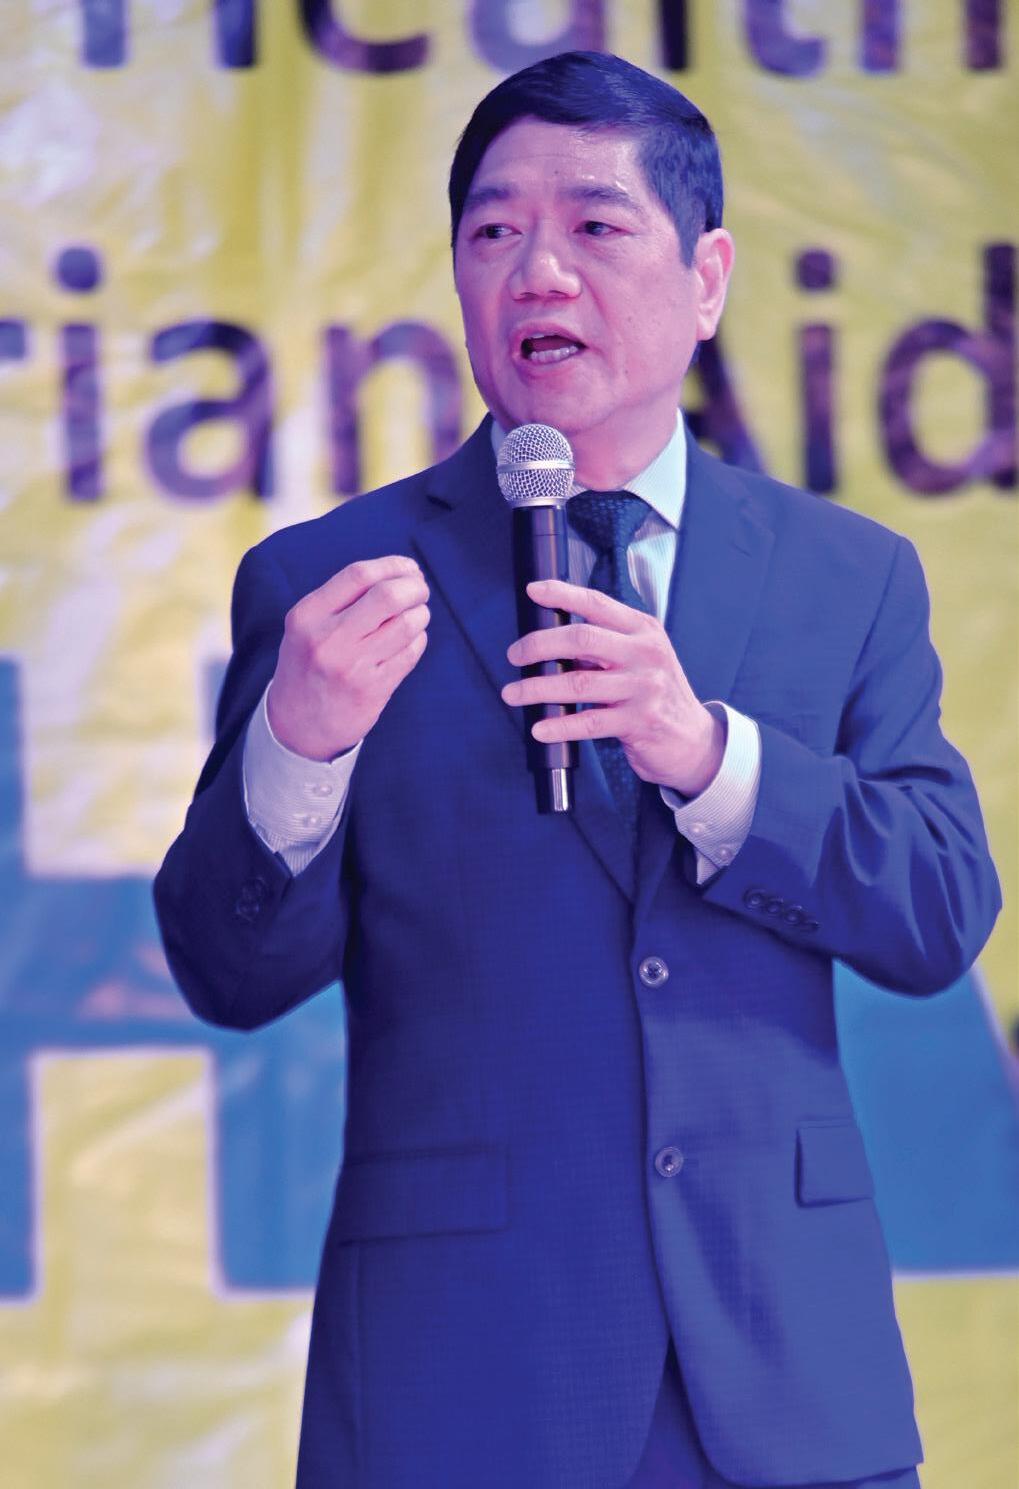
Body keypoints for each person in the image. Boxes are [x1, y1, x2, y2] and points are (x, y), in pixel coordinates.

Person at [154, 50, 1000, 1489]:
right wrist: (298, 747)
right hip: (467, 1382)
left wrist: (712, 759)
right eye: (494, 231)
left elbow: (938, 910)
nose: (538, 271)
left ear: (707, 277)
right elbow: (228, 971)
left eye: (597, 225)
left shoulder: (847, 576)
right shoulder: (331, 584)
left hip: (787, 1381)